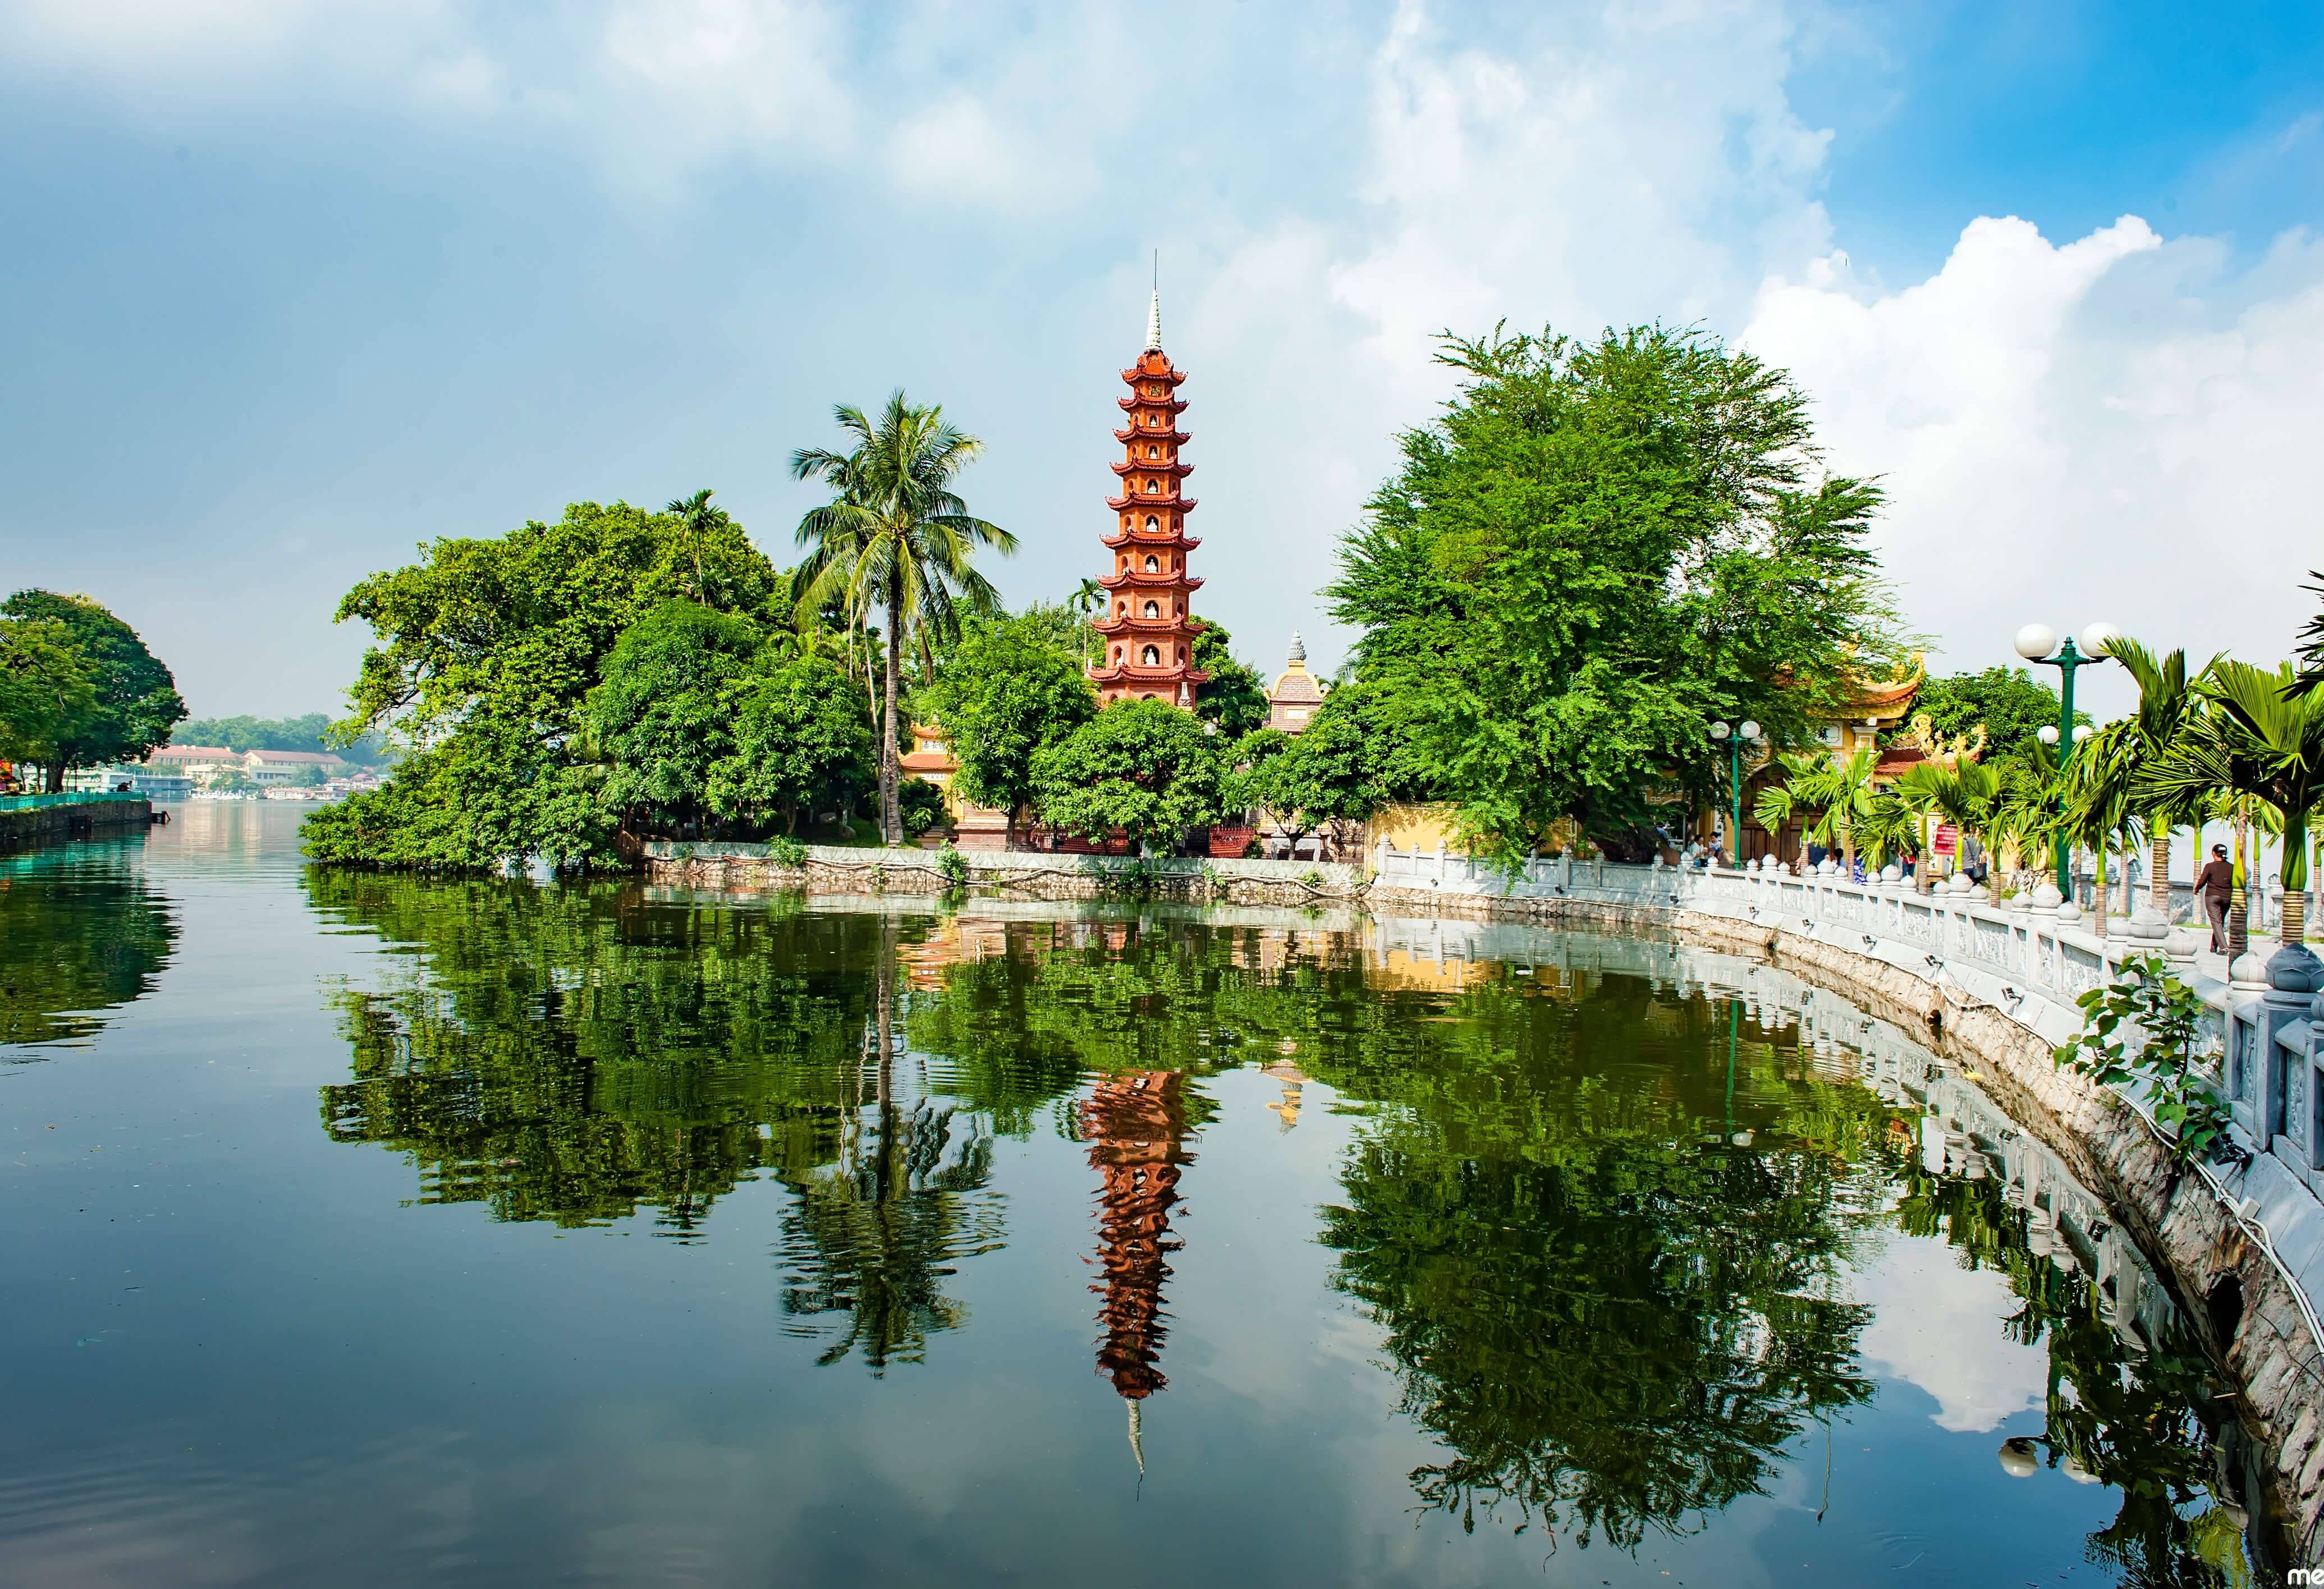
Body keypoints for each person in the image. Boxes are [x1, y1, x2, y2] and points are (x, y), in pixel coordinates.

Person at [2195, 842, 2235, 953]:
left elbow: (2202, 881)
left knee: (2216, 922)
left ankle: (2224, 947)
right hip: (2227, 897)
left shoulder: (2210, 866)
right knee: (2220, 921)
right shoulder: (2232, 868)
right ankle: (2214, 946)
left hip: (2212, 897)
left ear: (2213, 853)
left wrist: (2197, 889)